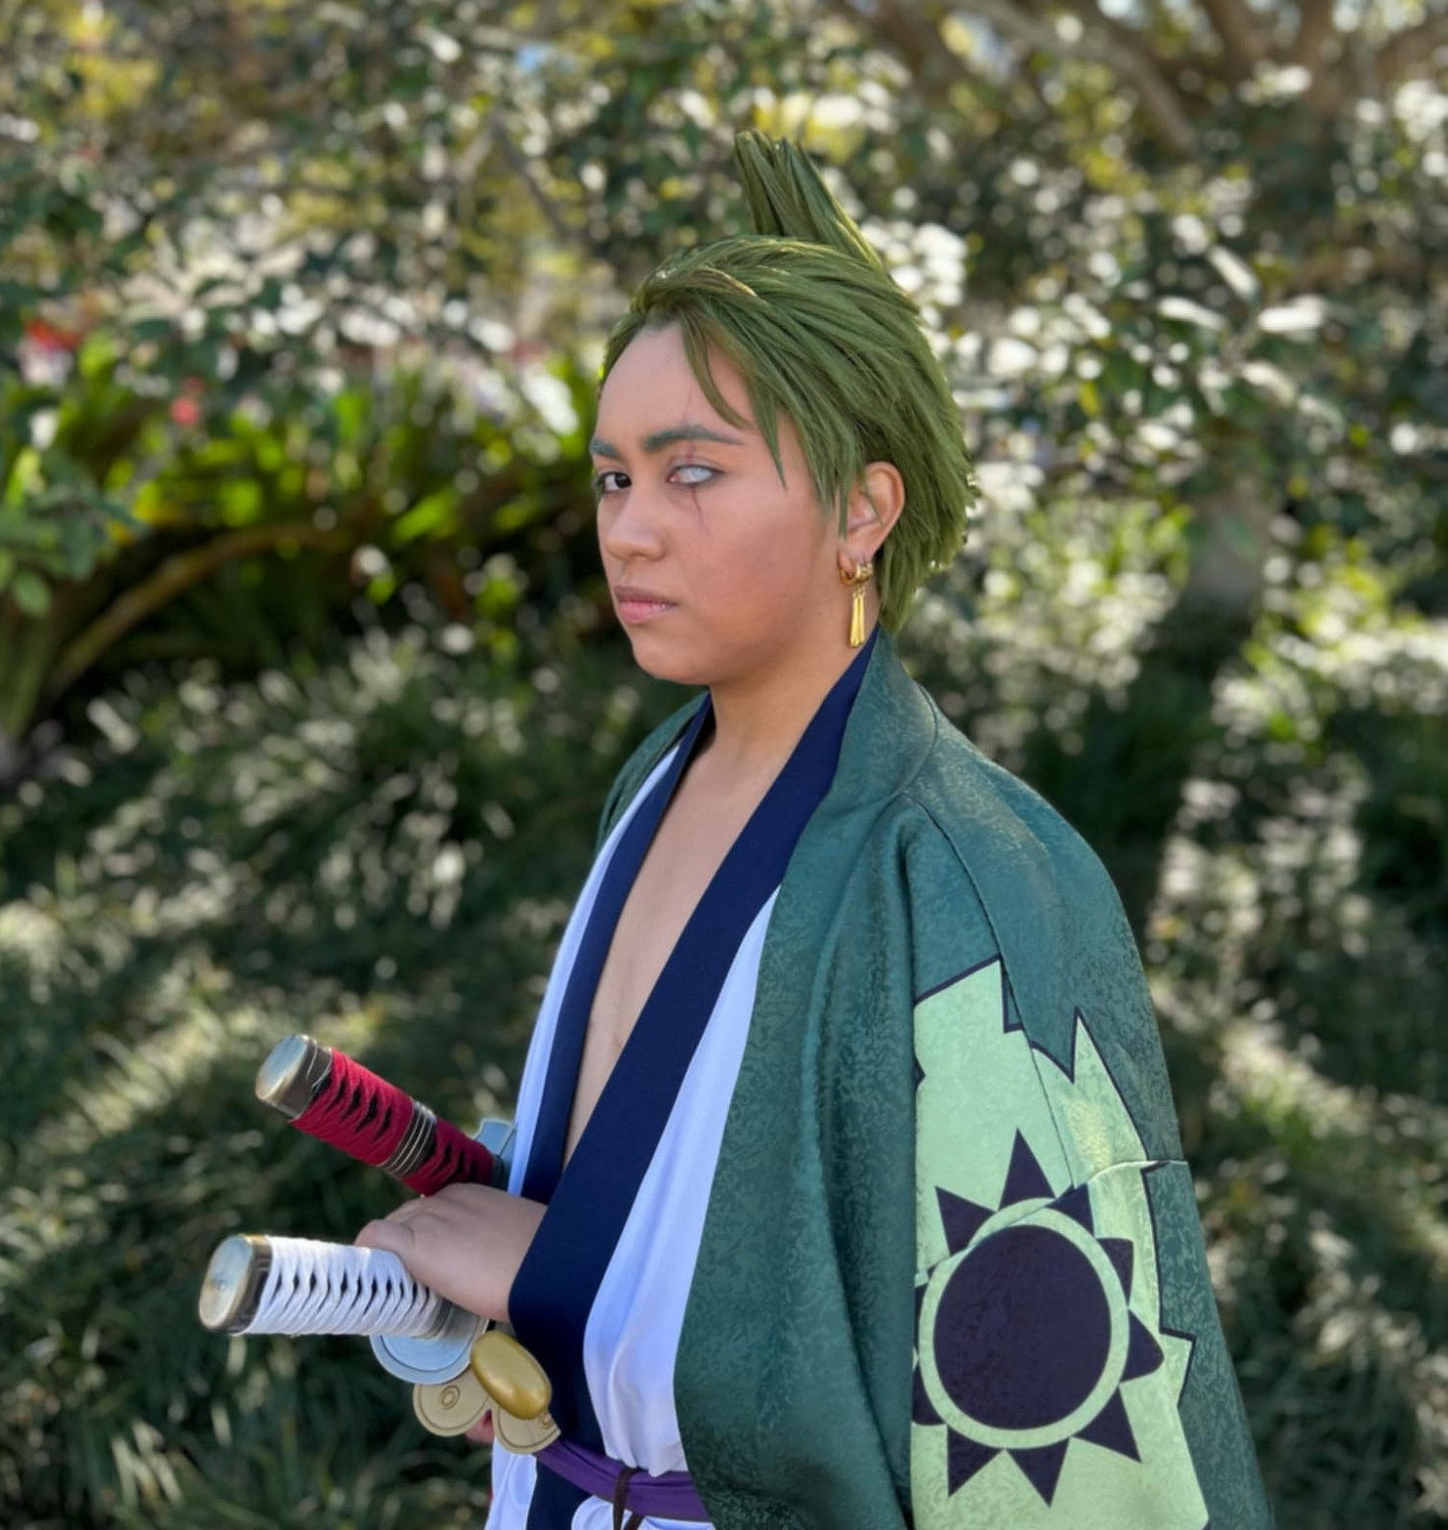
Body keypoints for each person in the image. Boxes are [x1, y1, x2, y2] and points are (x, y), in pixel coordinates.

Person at [357, 132, 1274, 1528]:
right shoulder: (655, 784)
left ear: (862, 508)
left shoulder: (970, 876)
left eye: (694, 473)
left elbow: (1033, 1386)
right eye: (612, 477)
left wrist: (557, 1277)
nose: (631, 531)